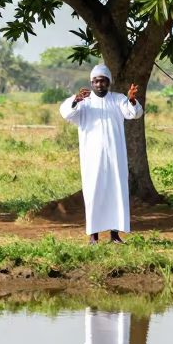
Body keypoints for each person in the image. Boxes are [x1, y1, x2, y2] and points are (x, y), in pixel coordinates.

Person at [59, 64, 143, 245]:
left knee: (116, 191)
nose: (99, 84)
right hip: (92, 156)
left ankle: (115, 235)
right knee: (93, 192)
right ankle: (93, 236)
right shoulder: (85, 102)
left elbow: (133, 114)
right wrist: (76, 99)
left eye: (103, 81)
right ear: (91, 82)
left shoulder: (118, 99)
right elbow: (66, 113)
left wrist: (133, 100)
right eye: (96, 81)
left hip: (115, 155)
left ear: (109, 82)